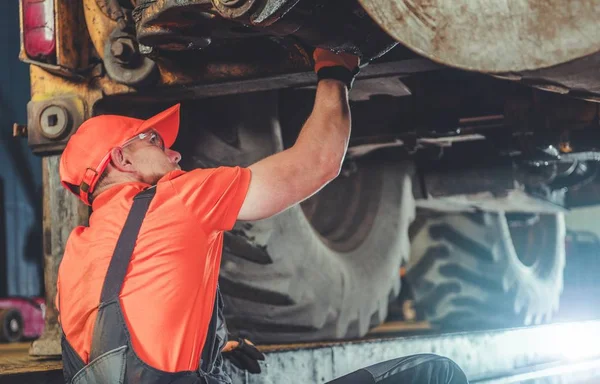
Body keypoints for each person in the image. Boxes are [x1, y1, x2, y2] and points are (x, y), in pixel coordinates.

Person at [56, 47, 469, 383]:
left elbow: (123, 343)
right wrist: (336, 72)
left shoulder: (74, 257)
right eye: (156, 141)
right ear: (122, 159)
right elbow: (319, 162)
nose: (174, 152)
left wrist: (208, 349)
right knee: (435, 374)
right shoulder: (178, 198)